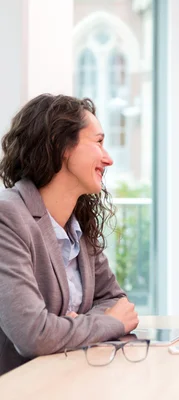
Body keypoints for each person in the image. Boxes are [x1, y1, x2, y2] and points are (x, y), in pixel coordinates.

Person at [0, 94, 139, 375]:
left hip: (70, 379)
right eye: (98, 142)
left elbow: (116, 301)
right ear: (63, 146)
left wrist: (68, 326)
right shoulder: (8, 217)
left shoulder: (77, 224)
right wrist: (107, 324)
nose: (108, 158)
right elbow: (33, 335)